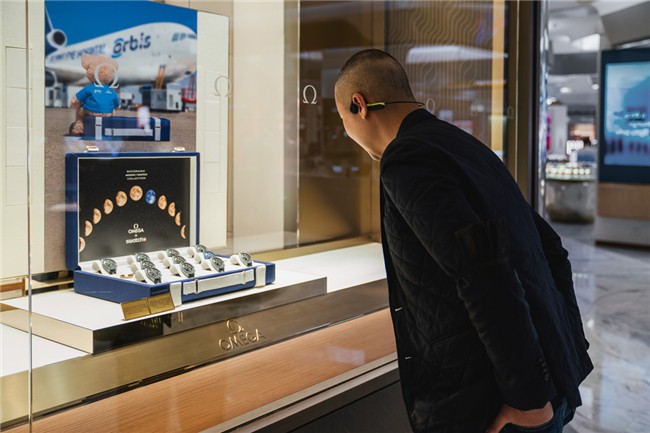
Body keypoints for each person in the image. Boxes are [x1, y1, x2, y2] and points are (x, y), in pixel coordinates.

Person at [334, 49, 593, 433]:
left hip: (498, 398)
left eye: (343, 119)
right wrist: (563, 353)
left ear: (359, 105)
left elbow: (481, 272)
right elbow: (550, 247)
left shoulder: (406, 158)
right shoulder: (465, 145)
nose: (347, 132)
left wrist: (528, 399)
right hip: (550, 376)